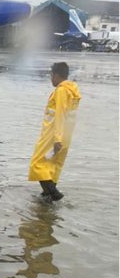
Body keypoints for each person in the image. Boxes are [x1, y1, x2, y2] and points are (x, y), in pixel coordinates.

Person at [28, 62, 80, 201]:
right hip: (66, 134)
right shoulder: (72, 90)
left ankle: (55, 195)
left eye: (51, 75)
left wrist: (57, 139)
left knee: (37, 164)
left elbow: (60, 114)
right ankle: (47, 198)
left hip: (54, 135)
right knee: (53, 166)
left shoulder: (62, 91)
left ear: (56, 75)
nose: (50, 79)